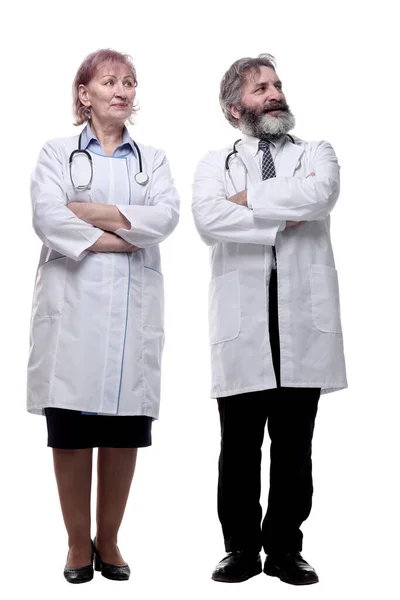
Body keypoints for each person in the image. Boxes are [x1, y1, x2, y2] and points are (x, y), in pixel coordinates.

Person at [192, 53, 347, 586]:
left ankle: (284, 548)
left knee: (294, 445)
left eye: (276, 84)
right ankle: (239, 549)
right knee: (237, 446)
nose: (274, 93)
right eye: (261, 88)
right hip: (244, 325)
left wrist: (249, 202)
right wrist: (283, 209)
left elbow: (320, 195)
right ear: (237, 107)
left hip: (301, 319)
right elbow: (209, 218)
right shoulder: (217, 164)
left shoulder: (316, 154)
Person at [28, 48, 180, 584]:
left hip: (133, 310)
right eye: (111, 81)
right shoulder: (56, 152)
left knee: (123, 430)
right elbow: (48, 215)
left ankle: (109, 538)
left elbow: (164, 217)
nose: (123, 90)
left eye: (130, 82)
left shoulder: (153, 160)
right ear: (84, 93)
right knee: (70, 429)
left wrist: (87, 216)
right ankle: (76, 543)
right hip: (73, 312)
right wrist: (123, 232)